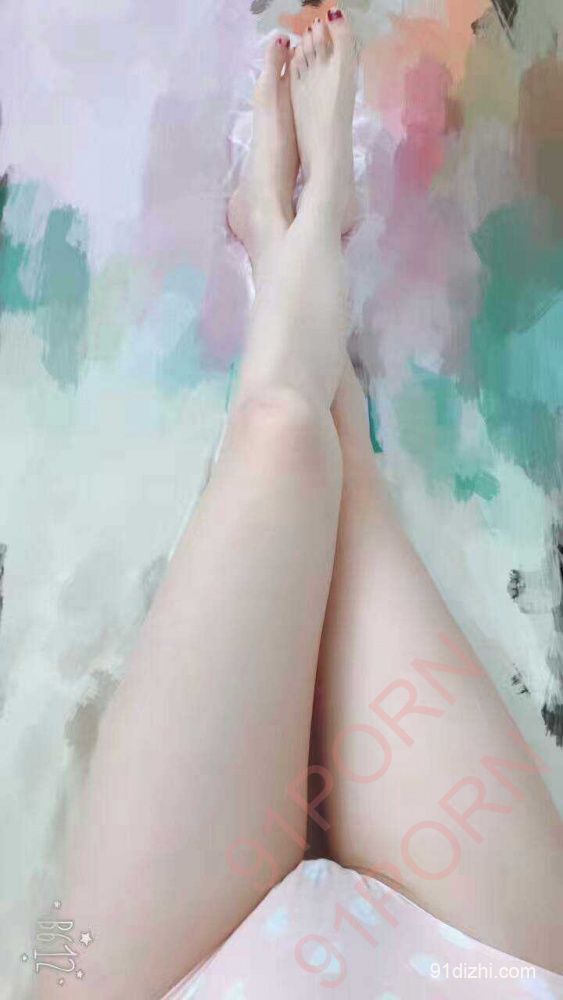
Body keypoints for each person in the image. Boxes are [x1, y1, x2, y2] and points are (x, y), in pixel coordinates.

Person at [40, 10, 562, 998]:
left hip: (129, 981)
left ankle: (287, 241)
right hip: (481, 966)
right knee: (336, 470)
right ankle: (307, 229)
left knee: (280, 435)